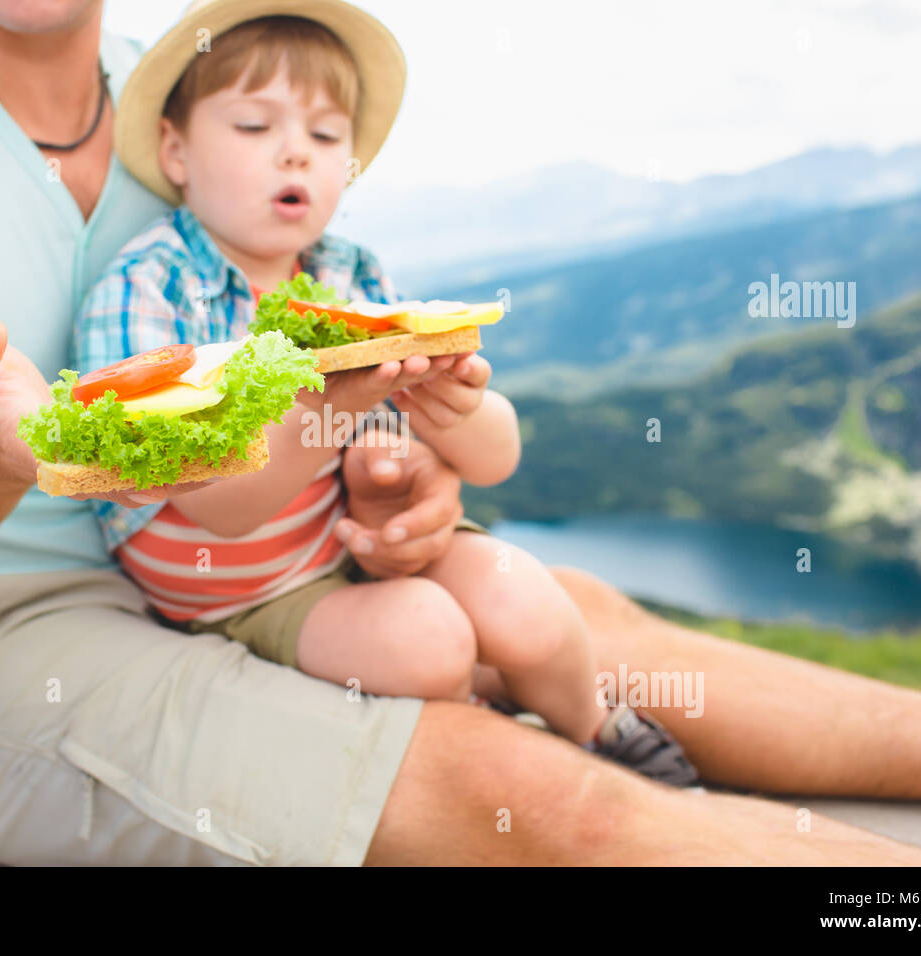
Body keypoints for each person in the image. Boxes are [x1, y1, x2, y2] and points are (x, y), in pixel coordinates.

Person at [0, 0, 921, 866]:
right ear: (191, 142)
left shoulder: (203, 94)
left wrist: (410, 472)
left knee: (576, 609)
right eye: (271, 133)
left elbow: (325, 394)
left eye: (318, 138)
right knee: (535, 798)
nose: (293, 151)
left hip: (266, 562)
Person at [73, 10, 698, 785]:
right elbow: (215, 508)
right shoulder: (148, 291)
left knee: (528, 603)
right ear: (176, 150)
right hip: (250, 586)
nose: (296, 150)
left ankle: (599, 731)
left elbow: (496, 460)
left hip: (356, 538)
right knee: (428, 641)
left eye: (328, 137)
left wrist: (458, 406)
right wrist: (333, 406)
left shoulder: (349, 276)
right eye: (254, 124)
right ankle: (501, 729)